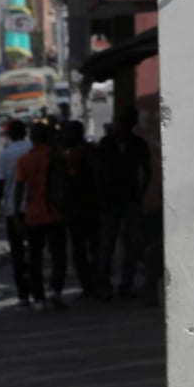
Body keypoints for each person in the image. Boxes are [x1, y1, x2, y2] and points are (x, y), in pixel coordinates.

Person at [95, 107, 151, 298]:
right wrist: (101, 197)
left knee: (132, 243)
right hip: (110, 201)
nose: (122, 125)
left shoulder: (138, 144)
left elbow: (147, 171)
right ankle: (105, 284)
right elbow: (97, 173)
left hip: (130, 199)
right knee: (107, 244)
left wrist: (140, 193)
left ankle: (126, 283)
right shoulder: (106, 144)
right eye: (120, 121)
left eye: (126, 122)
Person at [13, 122, 70, 309]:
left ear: (32, 138)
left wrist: (16, 214)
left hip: (33, 215)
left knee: (35, 258)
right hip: (56, 213)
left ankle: (39, 297)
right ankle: (56, 289)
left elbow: (19, 189)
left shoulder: (25, 160)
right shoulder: (57, 157)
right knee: (58, 256)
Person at [59, 120, 106, 300]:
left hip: (88, 207)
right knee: (82, 250)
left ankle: (96, 283)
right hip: (77, 208)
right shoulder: (70, 153)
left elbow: (98, 178)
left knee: (92, 248)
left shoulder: (85, 153)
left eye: (67, 133)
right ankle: (89, 285)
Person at [0, 119, 35, 306]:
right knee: (35, 251)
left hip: (12, 211)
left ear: (9, 135)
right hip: (35, 208)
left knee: (17, 254)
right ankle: (37, 290)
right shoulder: (34, 148)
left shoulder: (5, 155)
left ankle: (23, 295)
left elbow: (0, 186)